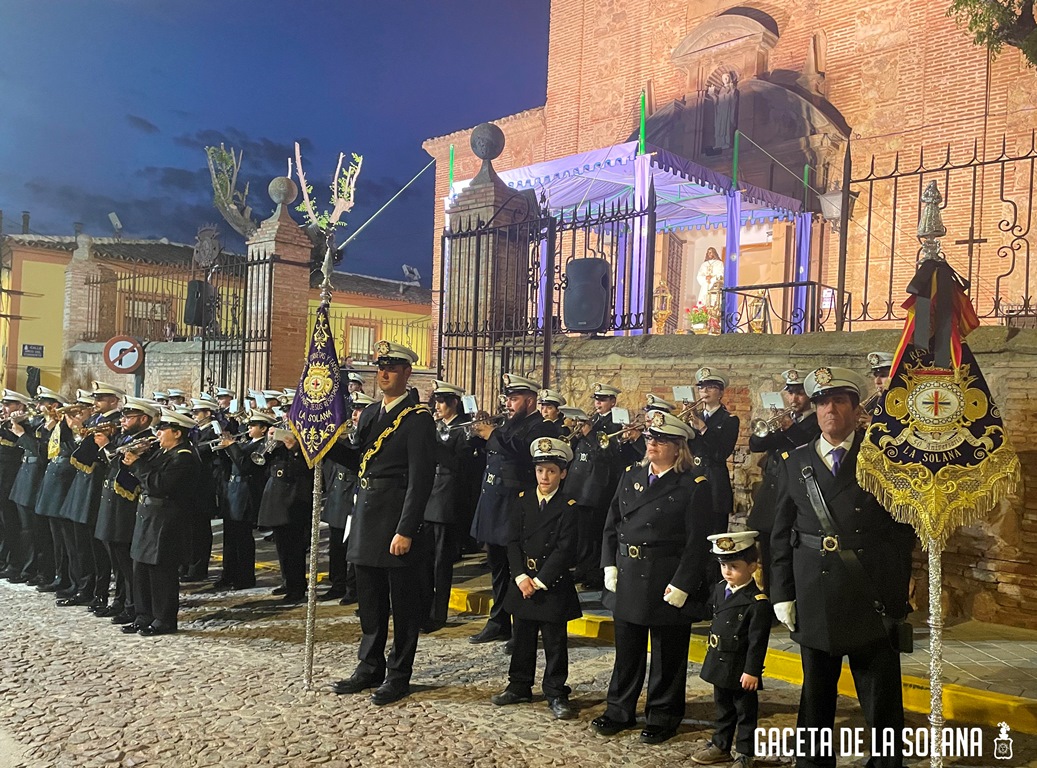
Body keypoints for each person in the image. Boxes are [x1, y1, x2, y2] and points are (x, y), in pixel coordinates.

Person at [770, 367, 916, 768]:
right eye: (821, 402)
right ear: (814, 410)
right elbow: (780, 534)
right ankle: (813, 763)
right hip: (815, 591)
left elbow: (902, 531)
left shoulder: (881, 459)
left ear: (855, 409)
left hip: (871, 590)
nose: (829, 409)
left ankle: (886, 763)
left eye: (838, 401)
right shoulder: (793, 462)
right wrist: (782, 594)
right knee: (816, 690)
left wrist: (900, 589)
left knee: (880, 690)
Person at [592, 411, 713, 745]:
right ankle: (619, 709)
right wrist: (609, 565)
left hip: (665, 575)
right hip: (629, 572)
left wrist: (685, 583)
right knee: (627, 649)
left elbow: (698, 540)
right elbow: (611, 523)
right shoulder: (631, 475)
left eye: (660, 440)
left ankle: (663, 715)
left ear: (678, 447)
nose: (652, 444)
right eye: (649, 438)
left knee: (667, 653)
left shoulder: (693, 484)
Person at [328, 340, 436, 705]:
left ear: (407, 373)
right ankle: (369, 666)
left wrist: (406, 529)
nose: (383, 373)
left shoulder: (418, 419)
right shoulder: (372, 413)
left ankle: (399, 673)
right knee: (370, 600)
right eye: (380, 367)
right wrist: (323, 443)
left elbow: (421, 480)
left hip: (394, 520)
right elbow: (360, 458)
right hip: (366, 515)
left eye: (391, 367)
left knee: (403, 605)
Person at [492, 437, 581, 721]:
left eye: (552, 471)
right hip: (523, 582)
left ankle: (555, 691)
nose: (545, 476)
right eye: (541, 470)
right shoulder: (522, 500)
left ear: (563, 473)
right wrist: (520, 576)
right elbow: (512, 541)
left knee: (555, 643)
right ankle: (519, 685)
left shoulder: (569, 507)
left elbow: (565, 549)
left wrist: (540, 581)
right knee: (522, 638)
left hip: (550, 584)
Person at [468, 373, 559, 646]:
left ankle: (523, 626)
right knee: (497, 567)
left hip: (515, 506)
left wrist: (492, 434)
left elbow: (523, 452)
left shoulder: (540, 427)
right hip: (494, 504)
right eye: (508, 397)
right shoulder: (510, 423)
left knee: (518, 569)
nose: (508, 403)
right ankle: (499, 621)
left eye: (514, 398)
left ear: (530, 401)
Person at [692, 531, 773, 768]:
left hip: (740, 668)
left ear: (752, 566)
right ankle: (721, 745)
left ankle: (745, 752)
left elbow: (758, 642)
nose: (727, 571)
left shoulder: (757, 603)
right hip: (720, 661)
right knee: (723, 708)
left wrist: (752, 671)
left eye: (734, 566)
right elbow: (710, 613)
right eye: (723, 565)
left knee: (745, 712)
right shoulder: (720, 589)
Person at [122, 409, 201, 636]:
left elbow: (159, 485)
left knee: (161, 572)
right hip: (149, 516)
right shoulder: (164, 452)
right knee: (141, 569)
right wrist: (133, 458)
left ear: (177, 433)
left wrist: (138, 464)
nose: (157, 434)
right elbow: (142, 477)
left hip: (167, 520)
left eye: (162, 430)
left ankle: (164, 619)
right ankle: (143, 615)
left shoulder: (184, 457)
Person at [746, 369, 819, 593]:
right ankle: (770, 595)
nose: (794, 399)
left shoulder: (816, 421)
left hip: (796, 494)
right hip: (772, 495)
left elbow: (810, 446)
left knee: (789, 550)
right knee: (768, 549)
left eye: (799, 394)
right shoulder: (783, 421)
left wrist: (790, 427)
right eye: (790, 393)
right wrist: (771, 426)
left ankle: (790, 595)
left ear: (809, 397)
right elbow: (755, 445)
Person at [57, 382, 123, 610]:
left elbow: (112, 458)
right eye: (96, 398)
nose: (96, 402)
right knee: (79, 544)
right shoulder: (96, 421)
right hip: (82, 485)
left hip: (97, 486)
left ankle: (98, 591)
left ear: (114, 400)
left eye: (101, 398)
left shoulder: (117, 423)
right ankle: (82, 586)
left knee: (96, 547)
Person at [93, 397, 159, 625]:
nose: (122, 420)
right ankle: (121, 601)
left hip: (127, 507)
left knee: (126, 561)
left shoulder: (148, 441)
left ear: (143, 419)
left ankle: (133, 605)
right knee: (117, 561)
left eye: (128, 417)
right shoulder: (126, 437)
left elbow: (126, 467)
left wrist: (108, 447)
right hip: (113, 502)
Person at [421, 380, 473, 632]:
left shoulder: (462, 430)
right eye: (436, 401)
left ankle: (437, 613)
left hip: (445, 500)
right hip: (429, 497)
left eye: (442, 402)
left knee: (441, 562)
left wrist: (434, 444)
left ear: (454, 403)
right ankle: (422, 607)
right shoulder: (436, 427)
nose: (437, 406)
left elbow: (459, 465)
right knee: (424, 560)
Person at [565, 383, 622, 590]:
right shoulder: (595, 419)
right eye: (596, 399)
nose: (598, 402)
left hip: (597, 486)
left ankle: (595, 574)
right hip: (581, 484)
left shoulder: (616, 423)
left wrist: (589, 433)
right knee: (582, 533)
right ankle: (582, 569)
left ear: (613, 401)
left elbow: (608, 455)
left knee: (594, 534)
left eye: (603, 399)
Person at [215, 410, 277, 591]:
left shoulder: (264, 446)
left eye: (253, 426)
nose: (248, 428)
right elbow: (231, 465)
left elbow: (245, 466)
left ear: (263, 429)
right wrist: (223, 449)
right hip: (233, 492)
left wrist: (231, 446)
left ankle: (244, 577)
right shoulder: (247, 442)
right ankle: (228, 575)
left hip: (246, 494)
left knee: (242, 540)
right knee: (229, 538)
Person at [318, 394, 372, 604]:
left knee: (352, 547)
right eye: (354, 409)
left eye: (360, 410)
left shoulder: (366, 436)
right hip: (337, 495)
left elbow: (355, 460)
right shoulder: (347, 433)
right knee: (336, 546)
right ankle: (337, 583)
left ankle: (352, 588)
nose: (355, 414)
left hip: (352, 495)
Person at [256, 428, 313, 603]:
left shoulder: (307, 437)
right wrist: (269, 442)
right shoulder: (278, 449)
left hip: (294, 501)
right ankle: (287, 581)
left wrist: (295, 450)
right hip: (277, 500)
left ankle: (297, 587)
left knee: (294, 549)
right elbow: (262, 465)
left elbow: (308, 469)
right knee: (282, 547)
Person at [688, 367, 739, 535]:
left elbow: (721, 452)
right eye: (701, 387)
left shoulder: (729, 420)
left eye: (711, 387)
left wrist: (704, 430)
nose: (705, 391)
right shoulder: (694, 416)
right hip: (694, 474)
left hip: (714, 480)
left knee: (715, 532)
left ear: (721, 392)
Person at [9, 390, 52, 586]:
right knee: (26, 530)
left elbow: (41, 451)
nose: (38, 407)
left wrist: (20, 433)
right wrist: (19, 423)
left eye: (43, 403)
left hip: (35, 480)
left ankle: (39, 569)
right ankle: (27, 567)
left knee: (36, 531)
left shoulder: (53, 426)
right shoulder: (38, 422)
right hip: (25, 480)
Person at [184, 398, 221, 582]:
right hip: (195, 486)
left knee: (200, 531)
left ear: (207, 413)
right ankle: (190, 565)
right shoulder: (197, 432)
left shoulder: (214, 430)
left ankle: (198, 569)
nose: (194, 416)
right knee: (191, 529)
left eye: (197, 413)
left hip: (205, 486)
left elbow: (204, 454)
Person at [0, 391, 30, 582]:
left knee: (12, 523)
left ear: (20, 407)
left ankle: (15, 563)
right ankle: (4, 559)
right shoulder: (6, 424)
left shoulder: (24, 425)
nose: (4, 409)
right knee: (3, 523)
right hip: (2, 476)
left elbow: (18, 445)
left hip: (12, 478)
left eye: (9, 405)